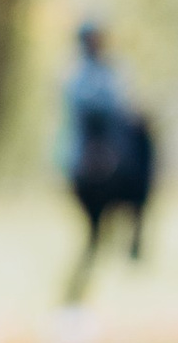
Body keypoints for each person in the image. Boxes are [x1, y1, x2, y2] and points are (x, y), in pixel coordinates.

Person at [58, 21, 157, 300]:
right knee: (95, 229)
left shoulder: (111, 70)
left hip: (111, 155)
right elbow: (96, 109)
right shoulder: (78, 75)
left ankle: (135, 232)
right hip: (88, 161)